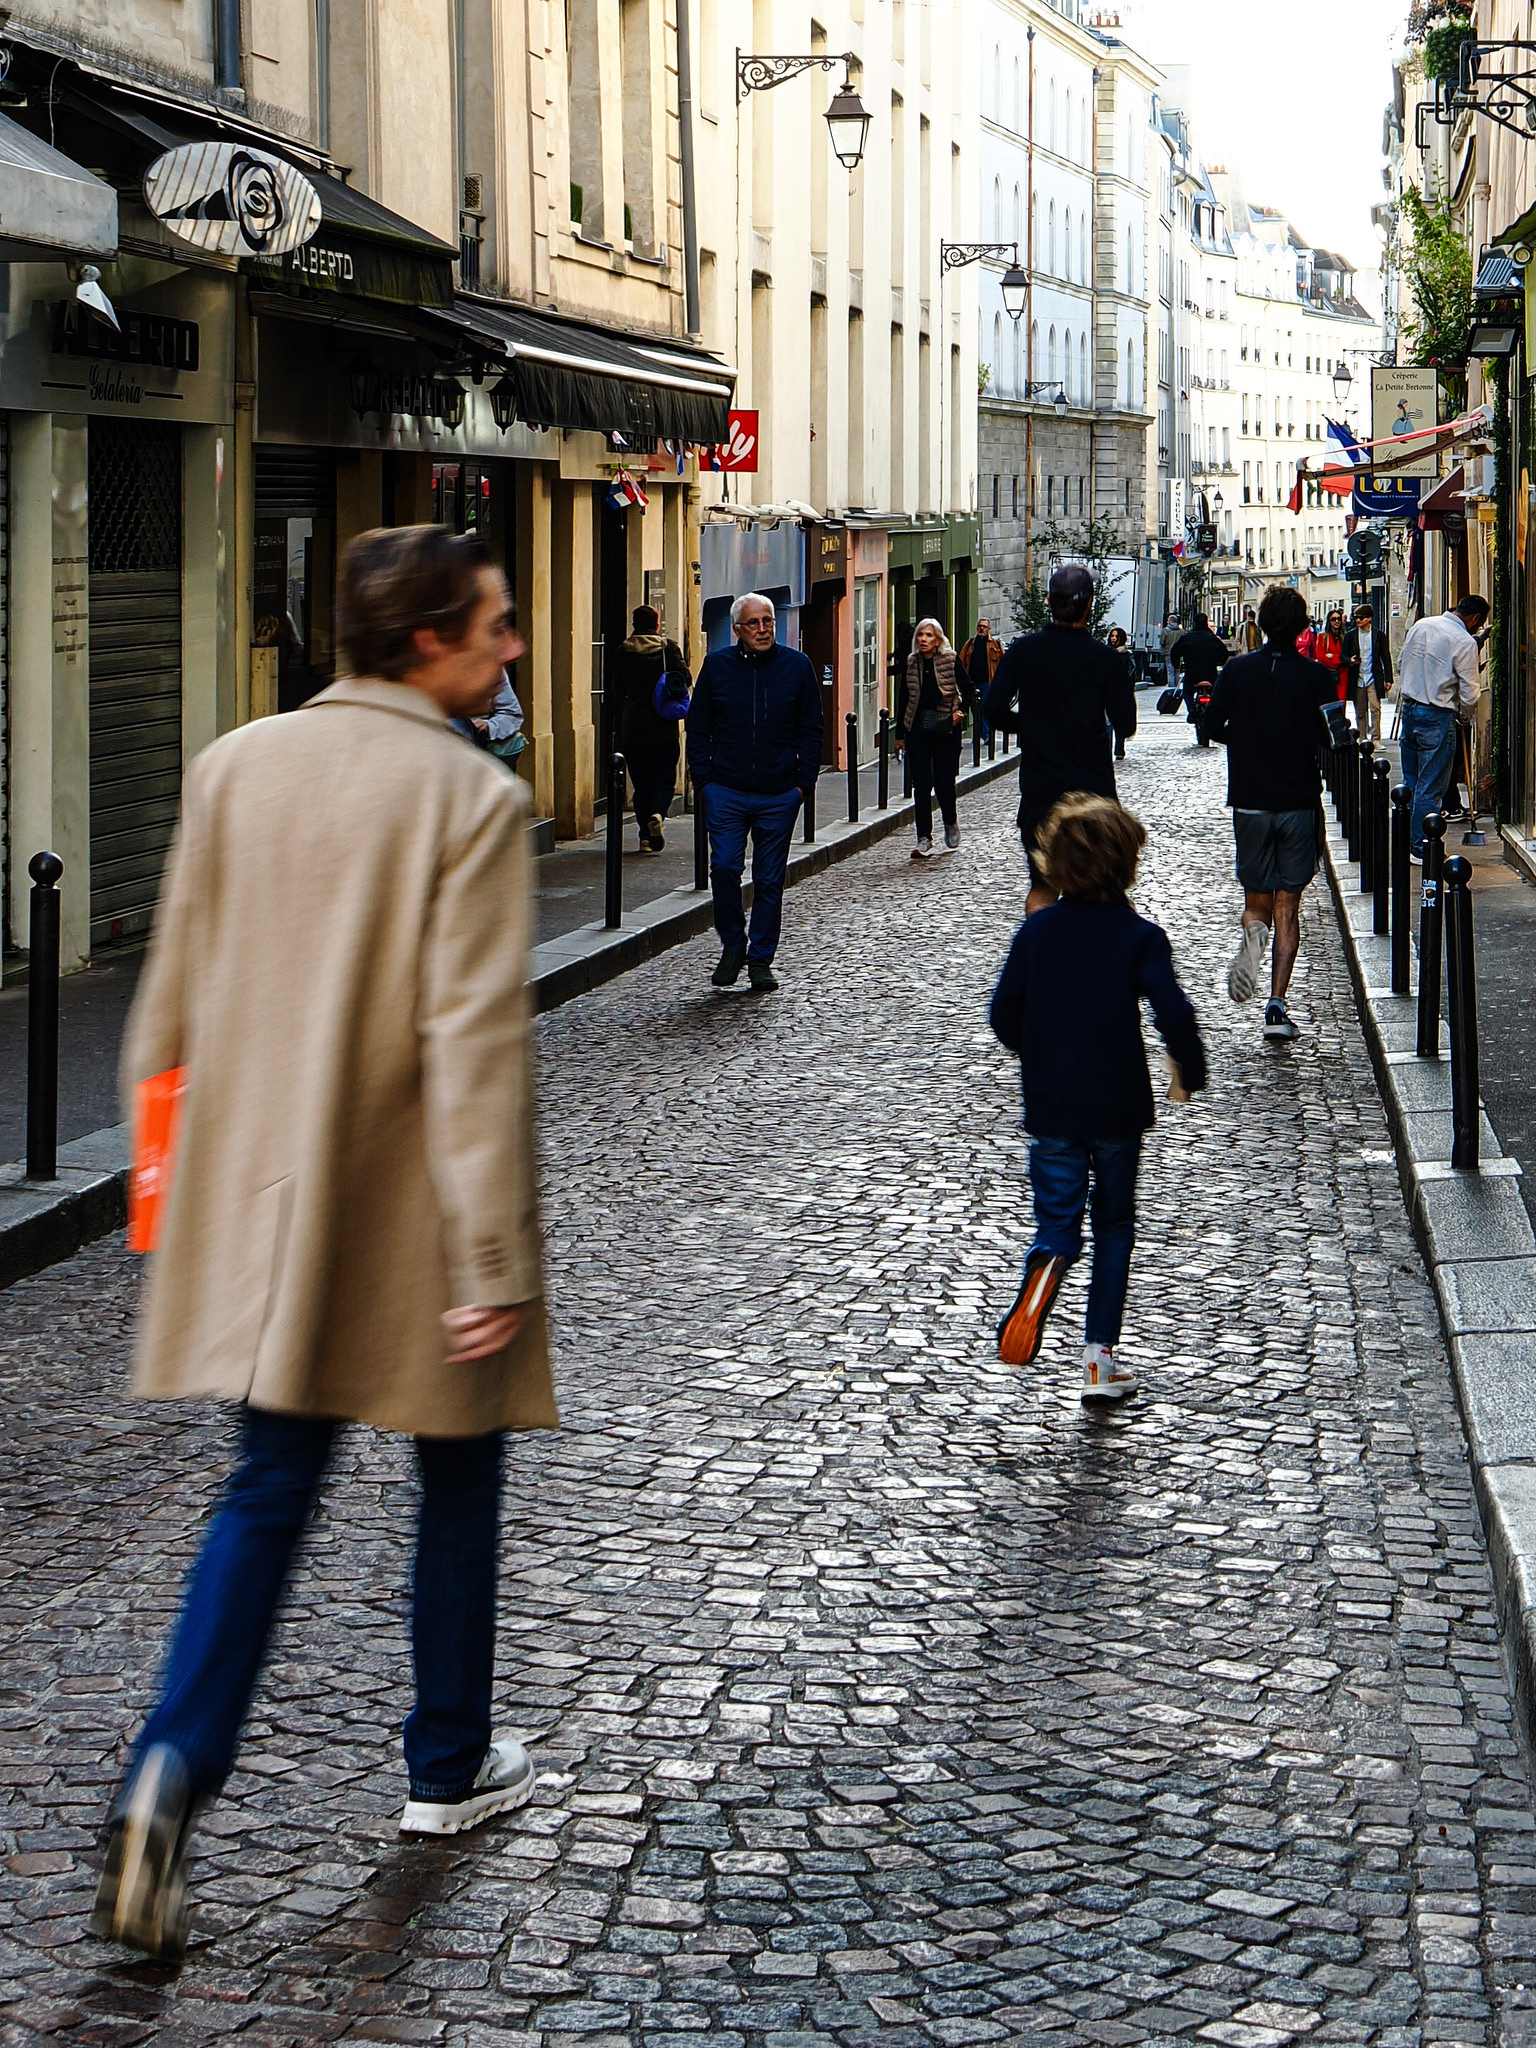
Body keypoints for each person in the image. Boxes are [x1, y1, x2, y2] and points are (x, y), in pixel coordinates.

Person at [91, 526, 557, 1962]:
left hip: (267, 1214)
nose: (513, 646)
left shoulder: (237, 766)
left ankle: (168, 1776)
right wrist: (492, 1262)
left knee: (267, 1490)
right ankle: (446, 1763)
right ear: (426, 640)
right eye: (493, 624)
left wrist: (171, 1204)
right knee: (459, 1480)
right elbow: (471, 1052)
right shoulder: (468, 801)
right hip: (415, 1217)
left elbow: (165, 1008)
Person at [989, 794, 1207, 1403]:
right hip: (1117, 1106)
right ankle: (1098, 1361)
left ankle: (1047, 1266)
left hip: (1054, 1104)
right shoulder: (1140, 936)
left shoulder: (1038, 932)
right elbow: (1173, 1011)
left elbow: (1004, 1013)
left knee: (1059, 1223)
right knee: (1114, 1227)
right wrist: (1189, 1069)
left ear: (1054, 864)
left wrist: (1040, 1049)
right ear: (1126, 864)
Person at [1204, 583, 1347, 1043]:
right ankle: (1277, 1004)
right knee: (1290, 902)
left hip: (1249, 799)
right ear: (1304, 627)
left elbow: (1209, 726)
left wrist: (1246, 741)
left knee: (1256, 901)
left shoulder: (1237, 671)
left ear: (1261, 625)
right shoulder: (1315, 676)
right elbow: (1336, 737)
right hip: (1298, 799)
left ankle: (1252, 938)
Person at [686, 592, 823, 992]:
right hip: (725, 790)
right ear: (737, 630)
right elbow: (698, 728)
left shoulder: (796, 667)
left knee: (768, 880)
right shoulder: (717, 667)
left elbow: (811, 728)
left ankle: (760, 959)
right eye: (753, 623)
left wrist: (803, 784)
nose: (762, 629)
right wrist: (704, 782)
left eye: (767, 621)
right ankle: (733, 944)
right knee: (725, 868)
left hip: (779, 793)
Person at [983, 564, 1138, 916]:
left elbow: (992, 707)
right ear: (1090, 605)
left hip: (1042, 792)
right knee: (1098, 890)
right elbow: (1126, 725)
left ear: (1049, 601)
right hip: (1093, 796)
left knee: (1042, 888)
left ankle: (1043, 961)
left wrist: (1029, 728)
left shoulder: (1024, 651)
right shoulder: (1104, 659)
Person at [1397, 593, 1488, 858]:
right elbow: (1470, 693)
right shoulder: (1464, 641)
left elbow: (1402, 663)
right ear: (1475, 619)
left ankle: (1407, 841)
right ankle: (1420, 847)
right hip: (1437, 715)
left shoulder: (1422, 625)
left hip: (1411, 709)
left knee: (1411, 781)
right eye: (1479, 624)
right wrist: (1465, 716)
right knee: (1431, 785)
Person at [894, 617, 974, 858]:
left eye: (928, 635)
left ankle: (950, 821)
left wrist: (960, 712)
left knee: (944, 782)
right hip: (917, 727)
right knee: (921, 782)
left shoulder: (950, 659)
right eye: (920, 635)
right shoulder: (911, 662)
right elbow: (903, 697)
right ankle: (924, 837)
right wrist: (899, 735)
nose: (923, 640)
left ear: (937, 639)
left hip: (945, 726)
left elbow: (969, 690)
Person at [618, 605, 690, 852]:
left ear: (634, 624)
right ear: (656, 624)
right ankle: (658, 814)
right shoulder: (667, 648)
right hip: (663, 724)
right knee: (664, 779)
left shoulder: (623, 650)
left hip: (634, 727)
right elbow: (684, 678)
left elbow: (616, 687)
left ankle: (645, 838)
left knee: (641, 785)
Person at [1168, 612, 1230, 742]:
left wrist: (1177, 664)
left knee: (1187, 692)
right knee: (1216, 694)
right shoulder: (1212, 638)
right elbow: (1224, 653)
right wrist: (1219, 662)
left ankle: (1191, 709)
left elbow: (1175, 651)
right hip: (1210, 674)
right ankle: (1215, 714)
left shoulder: (1187, 638)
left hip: (1192, 674)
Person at [1342, 601, 1392, 741]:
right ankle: (1362, 738)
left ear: (1369, 618)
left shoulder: (1379, 635)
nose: (1358, 620)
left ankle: (1375, 739)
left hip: (1373, 676)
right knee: (1360, 711)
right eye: (1355, 617)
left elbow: (1386, 657)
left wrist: (1389, 679)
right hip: (1357, 676)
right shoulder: (1350, 635)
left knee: (1375, 708)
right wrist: (1350, 660)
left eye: (1361, 617)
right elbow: (1343, 655)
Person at [1106, 627, 1134, 759]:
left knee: (1118, 722)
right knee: (1107, 723)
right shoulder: (1105, 653)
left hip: (1120, 693)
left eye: (1116, 636)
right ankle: (1107, 749)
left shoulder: (1127, 655)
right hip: (1106, 692)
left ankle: (1119, 750)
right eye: (1112, 636)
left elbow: (1132, 672)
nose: (1113, 638)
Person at [1314, 608, 1348, 705]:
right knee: (1328, 705)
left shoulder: (1345, 637)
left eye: (1338, 619)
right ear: (1329, 621)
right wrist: (1339, 659)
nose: (1336, 621)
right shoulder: (1322, 637)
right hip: (1327, 675)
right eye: (1333, 619)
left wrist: (1332, 657)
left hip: (1342, 676)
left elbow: (1347, 658)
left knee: (1341, 706)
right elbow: (1321, 657)